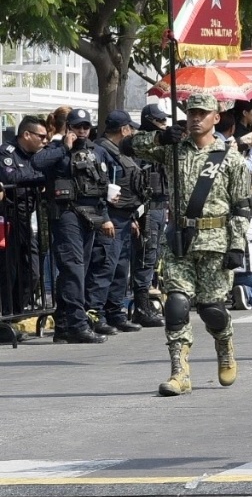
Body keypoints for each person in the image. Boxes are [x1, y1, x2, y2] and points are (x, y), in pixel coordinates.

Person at [130, 92, 251, 395]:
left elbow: (241, 206)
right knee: (176, 304)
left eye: (201, 113)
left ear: (216, 117)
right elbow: (128, 145)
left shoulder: (231, 158)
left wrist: (237, 245)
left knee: (211, 309)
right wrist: (159, 138)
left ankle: (224, 342)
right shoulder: (173, 150)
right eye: (190, 112)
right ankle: (179, 372)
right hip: (180, 239)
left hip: (216, 241)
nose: (195, 118)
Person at [33, 108, 119, 344]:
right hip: (66, 214)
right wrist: (64, 147)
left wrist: (105, 217)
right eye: (77, 126)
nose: (82, 131)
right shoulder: (57, 149)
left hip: (90, 216)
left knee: (77, 271)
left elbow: (102, 187)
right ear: (68, 128)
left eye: (86, 126)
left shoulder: (96, 151)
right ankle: (77, 325)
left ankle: (63, 325)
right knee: (73, 269)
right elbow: (38, 162)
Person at [90, 109, 144, 334]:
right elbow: (96, 187)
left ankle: (115, 312)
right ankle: (96, 314)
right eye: (130, 128)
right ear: (123, 129)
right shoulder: (100, 151)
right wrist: (104, 218)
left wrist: (131, 217)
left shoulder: (122, 151)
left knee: (121, 269)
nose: (132, 132)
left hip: (124, 217)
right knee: (105, 267)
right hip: (109, 219)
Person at [0, 116, 48, 334]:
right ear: (26, 135)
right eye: (41, 136)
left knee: (33, 269)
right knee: (9, 269)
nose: (45, 140)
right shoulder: (7, 152)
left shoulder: (35, 156)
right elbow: (11, 176)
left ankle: (19, 310)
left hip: (26, 218)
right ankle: (7, 314)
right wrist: (39, 175)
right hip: (8, 218)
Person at [132, 104, 169, 327]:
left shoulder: (161, 147)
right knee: (146, 257)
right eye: (160, 121)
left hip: (160, 207)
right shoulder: (141, 147)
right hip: (146, 209)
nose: (164, 125)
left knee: (154, 257)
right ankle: (141, 307)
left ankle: (145, 303)